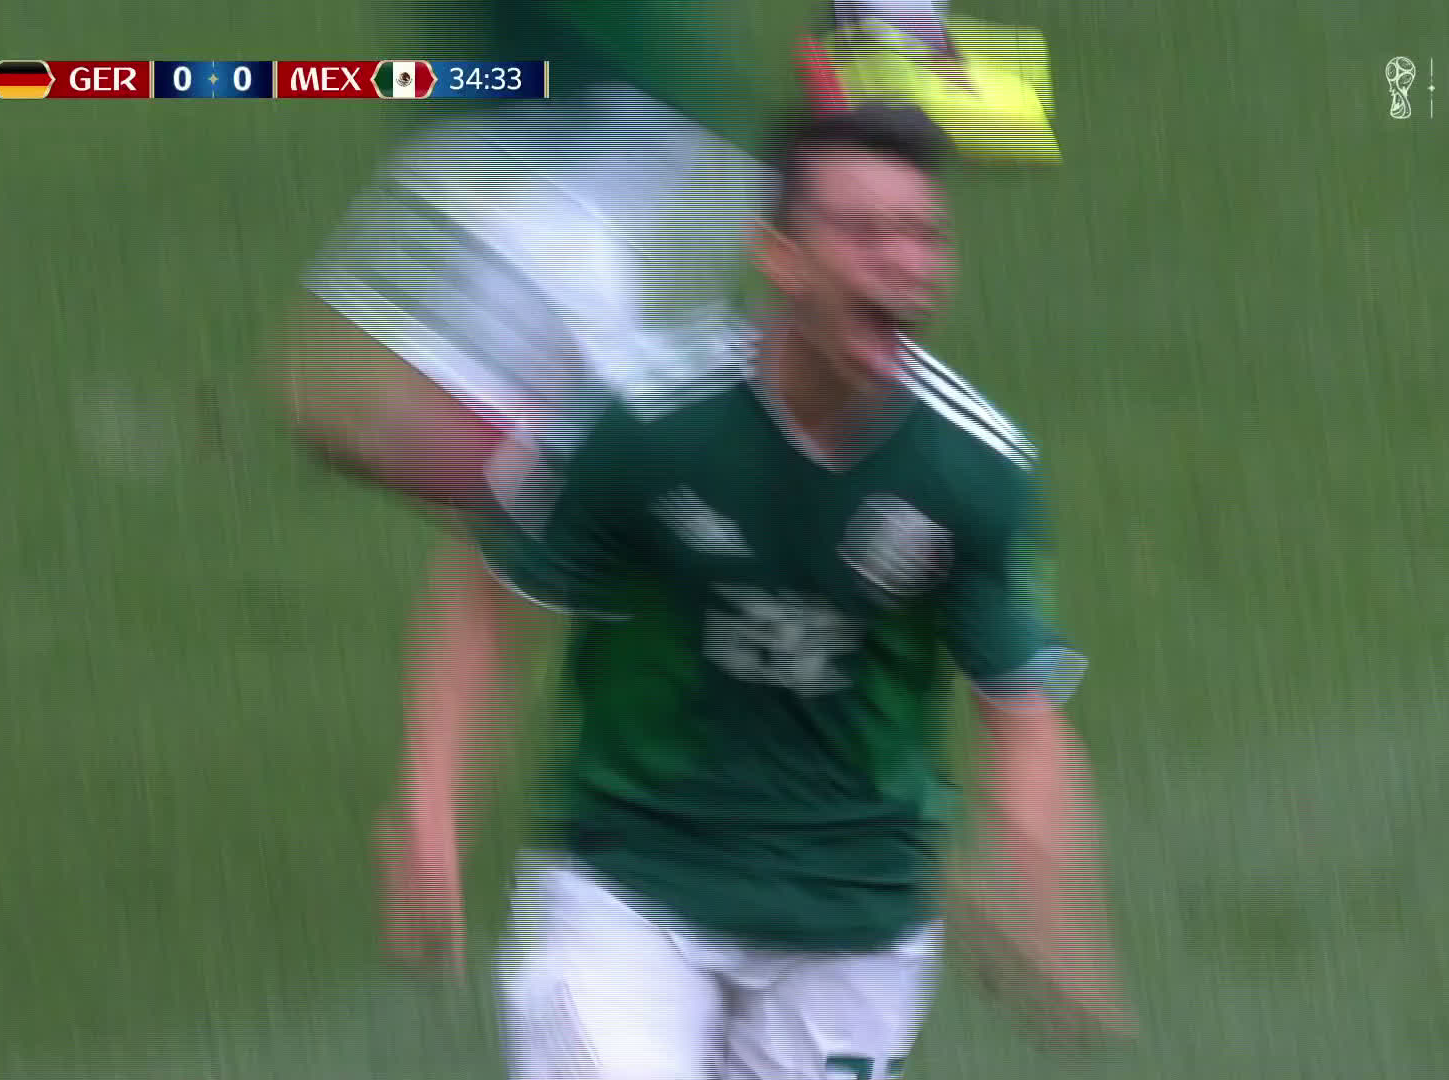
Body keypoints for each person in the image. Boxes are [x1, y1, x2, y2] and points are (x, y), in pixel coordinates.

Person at [430, 103, 1132, 1080]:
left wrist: (1051, 897)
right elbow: (493, 589)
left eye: (924, 234)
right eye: (866, 232)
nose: (904, 261)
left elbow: (1023, 718)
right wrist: (429, 807)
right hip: (636, 887)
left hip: (856, 920)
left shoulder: (973, 467)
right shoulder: (647, 419)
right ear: (780, 257)